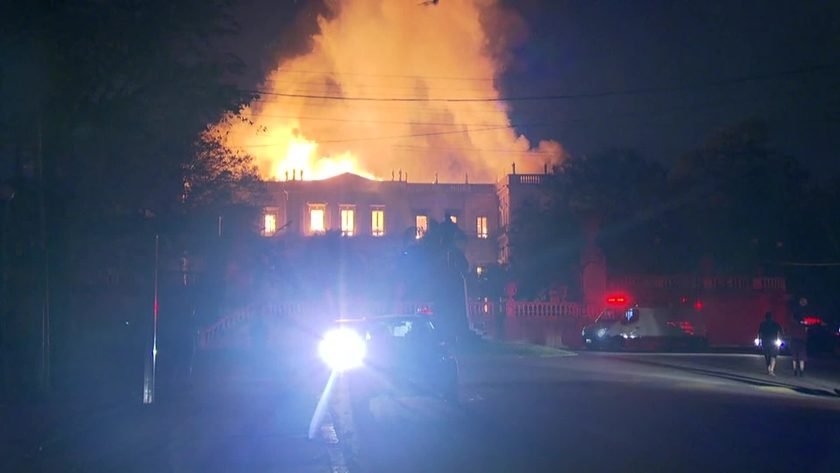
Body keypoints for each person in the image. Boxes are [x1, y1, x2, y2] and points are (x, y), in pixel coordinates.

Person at [757, 312, 783, 376]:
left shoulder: (762, 324)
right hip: (774, 341)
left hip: (765, 341)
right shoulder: (776, 324)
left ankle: (768, 369)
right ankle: (771, 370)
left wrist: (759, 341)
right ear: (772, 317)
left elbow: (759, 333)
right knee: (773, 356)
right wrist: (780, 340)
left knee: (767, 356)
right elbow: (780, 332)